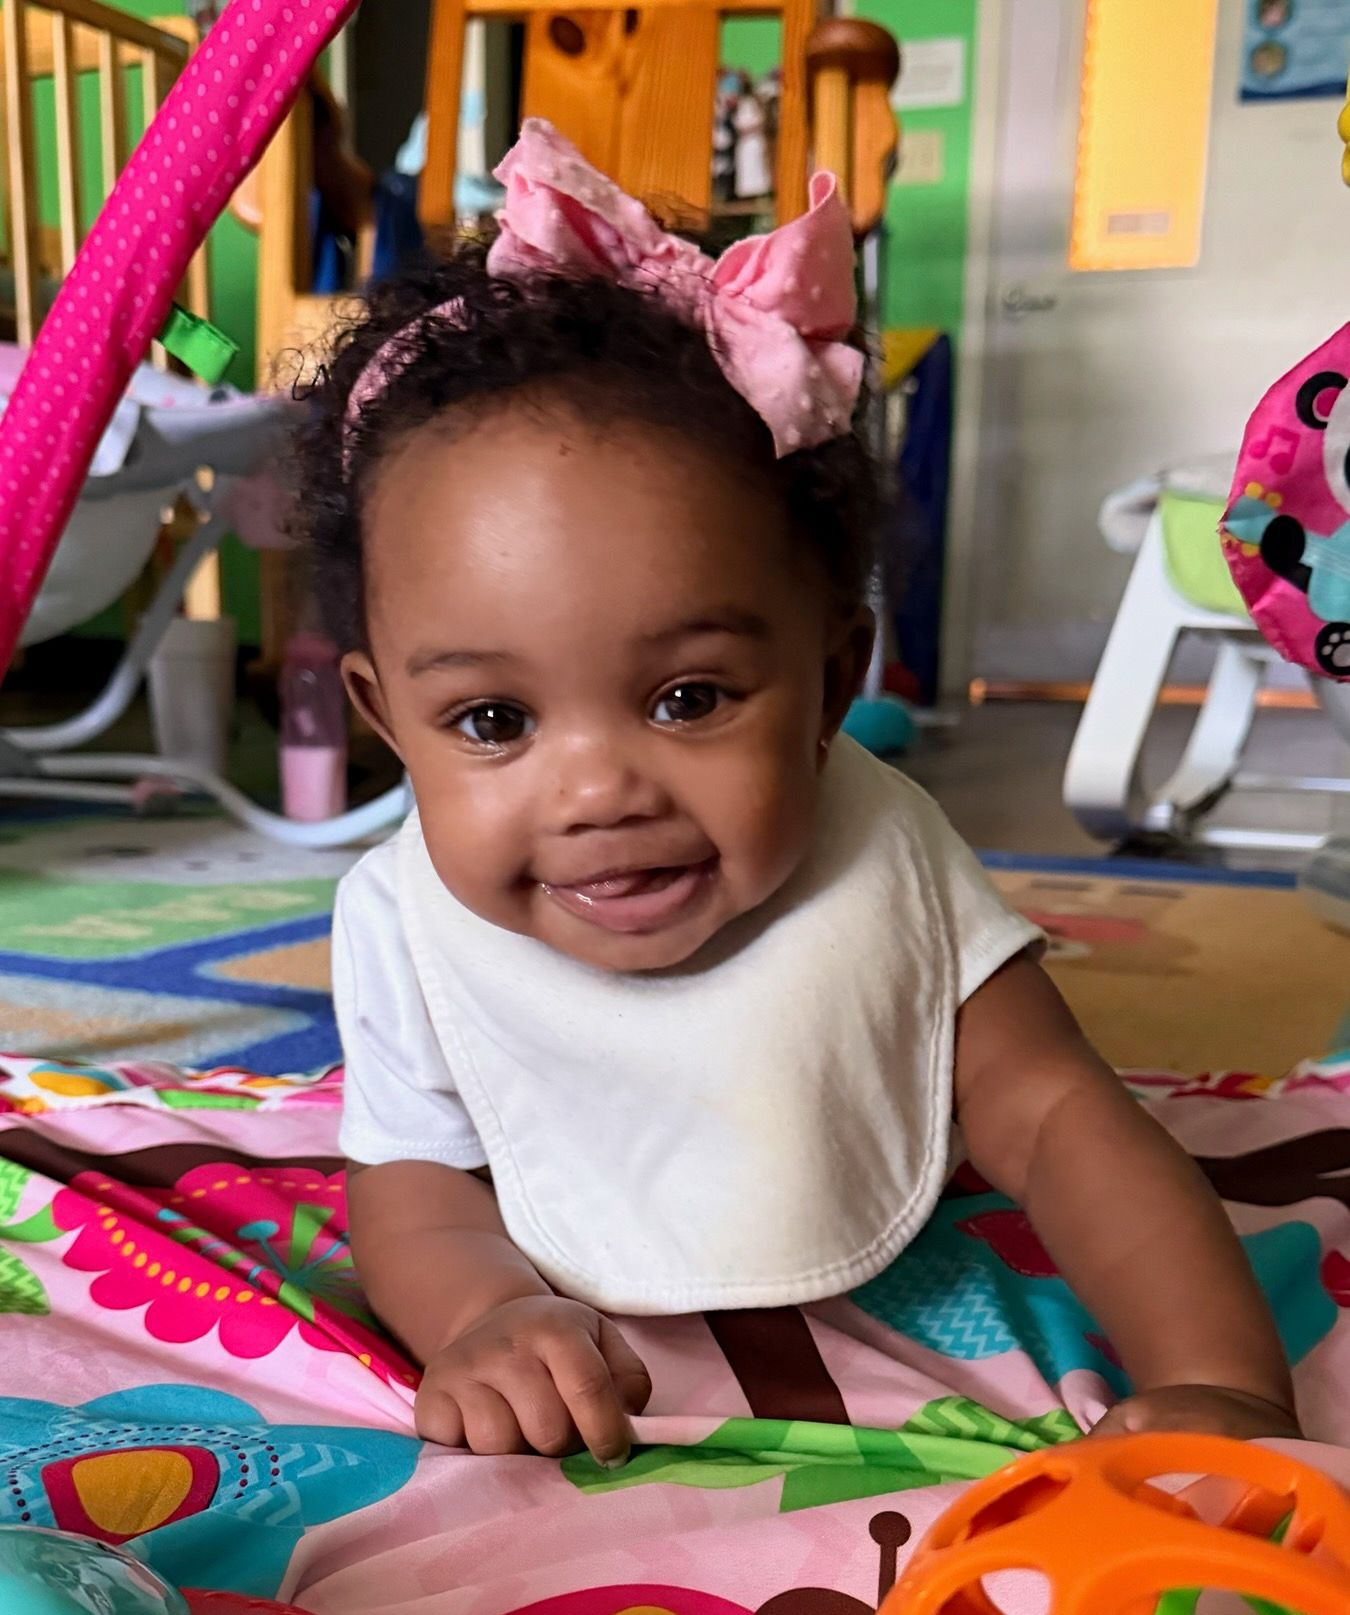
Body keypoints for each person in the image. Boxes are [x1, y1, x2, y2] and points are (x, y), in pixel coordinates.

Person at [293, 120, 1300, 1468]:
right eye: (492, 719)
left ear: (831, 684)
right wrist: (486, 1307)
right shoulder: (404, 917)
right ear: (385, 721)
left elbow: (1059, 1118)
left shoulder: (881, 850)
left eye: (687, 696)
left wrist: (1216, 1380)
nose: (598, 787)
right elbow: (413, 1180)